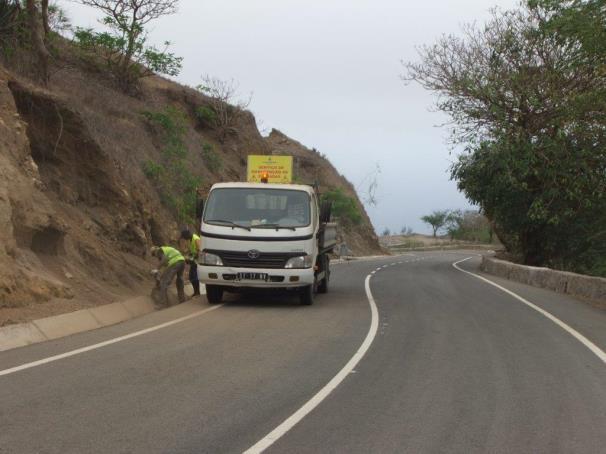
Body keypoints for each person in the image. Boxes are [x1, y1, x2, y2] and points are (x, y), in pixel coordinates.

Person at [180, 228, 202, 297]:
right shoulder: (190, 239)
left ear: (187, 235)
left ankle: (197, 292)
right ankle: (196, 292)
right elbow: (191, 251)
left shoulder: (195, 239)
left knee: (194, 276)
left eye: (184, 237)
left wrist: (192, 258)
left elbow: (199, 251)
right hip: (194, 260)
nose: (184, 239)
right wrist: (187, 257)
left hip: (198, 260)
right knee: (191, 276)